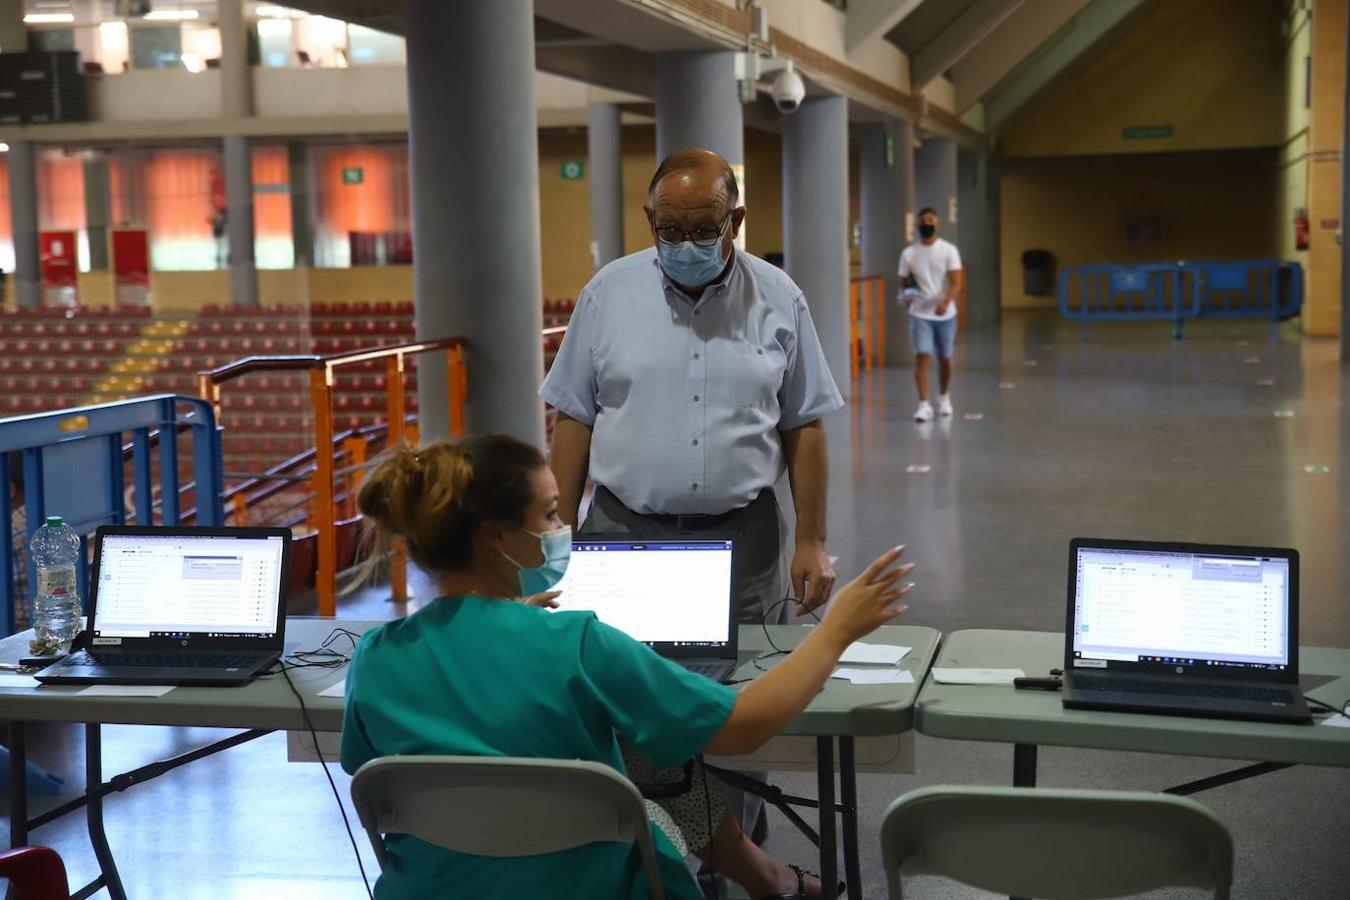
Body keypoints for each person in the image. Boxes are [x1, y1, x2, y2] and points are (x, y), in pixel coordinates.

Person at [340, 435, 914, 900]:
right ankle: (772, 883)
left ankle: (770, 881)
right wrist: (837, 631)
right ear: (495, 537)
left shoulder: (377, 656)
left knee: (640, 758)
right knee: (655, 770)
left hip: (431, 888)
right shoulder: (578, 643)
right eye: (550, 513)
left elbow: (381, 774)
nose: (563, 527)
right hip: (584, 885)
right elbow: (743, 726)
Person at [542, 148, 843, 627]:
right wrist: (559, 535)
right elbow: (575, 417)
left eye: (705, 230)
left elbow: (804, 425)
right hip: (624, 535)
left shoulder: (780, 298)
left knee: (747, 685)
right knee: (621, 678)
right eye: (670, 230)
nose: (686, 244)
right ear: (650, 219)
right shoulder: (607, 295)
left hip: (745, 541)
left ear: (736, 220)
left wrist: (813, 541)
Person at [899, 207, 964, 422]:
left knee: (945, 358)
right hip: (919, 314)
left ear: (937, 224)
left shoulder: (948, 250)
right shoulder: (909, 254)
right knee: (922, 357)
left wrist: (946, 302)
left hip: (946, 314)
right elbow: (904, 283)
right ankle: (923, 404)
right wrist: (909, 297)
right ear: (918, 226)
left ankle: (944, 397)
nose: (927, 224)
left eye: (931, 220)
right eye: (923, 221)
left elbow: (956, 281)